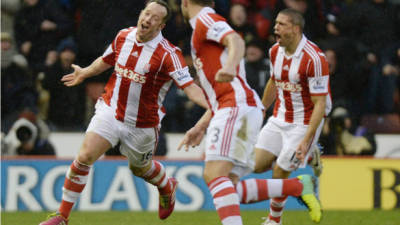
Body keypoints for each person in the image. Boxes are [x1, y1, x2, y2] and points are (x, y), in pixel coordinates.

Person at [39, 1, 208, 225]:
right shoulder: (123, 36)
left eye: (155, 18)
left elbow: (190, 88)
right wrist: (85, 73)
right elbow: (107, 60)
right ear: (140, 14)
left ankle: (167, 186)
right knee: (84, 157)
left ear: (161, 26)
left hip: (142, 125)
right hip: (110, 110)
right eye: (146, 13)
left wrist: (215, 105)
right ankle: (62, 216)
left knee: (140, 168)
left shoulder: (169, 54)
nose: (148, 19)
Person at [179, 1, 321, 225]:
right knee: (229, 187)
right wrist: (201, 125)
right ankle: (298, 186)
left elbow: (235, 40)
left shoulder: (205, 19)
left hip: (235, 106)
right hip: (236, 106)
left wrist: (230, 66)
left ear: (184, 2)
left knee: (214, 175)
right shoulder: (203, 24)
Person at [249, 9, 331, 225]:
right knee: (255, 165)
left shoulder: (314, 58)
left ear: (295, 29)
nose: (275, 27)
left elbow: (320, 103)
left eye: (282, 24)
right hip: (280, 117)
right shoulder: (275, 51)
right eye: (276, 23)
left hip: (304, 122)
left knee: (279, 171)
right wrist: (261, 109)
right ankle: (311, 156)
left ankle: (274, 220)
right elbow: (274, 82)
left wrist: (306, 140)